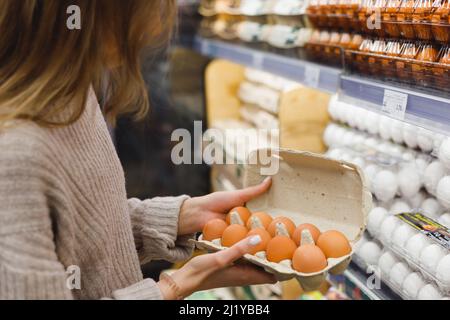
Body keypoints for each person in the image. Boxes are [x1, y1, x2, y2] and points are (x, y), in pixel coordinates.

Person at [0, 1, 275, 300]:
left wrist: (179, 218)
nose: (155, 28)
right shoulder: (15, 156)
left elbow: (78, 237)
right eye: (148, 9)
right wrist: (171, 288)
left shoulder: (72, 98)